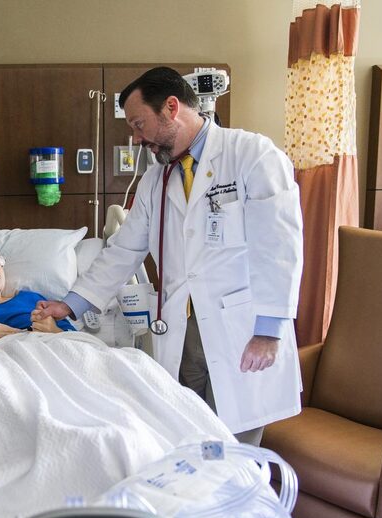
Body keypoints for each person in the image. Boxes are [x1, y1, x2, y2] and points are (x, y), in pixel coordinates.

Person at [32, 67, 303, 446]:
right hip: (183, 325)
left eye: (139, 124)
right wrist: (72, 304)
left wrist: (268, 330)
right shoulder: (154, 180)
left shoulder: (250, 155)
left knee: (235, 448)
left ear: (172, 108)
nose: (136, 137)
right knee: (188, 437)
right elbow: (124, 250)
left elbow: (280, 246)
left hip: (242, 327)